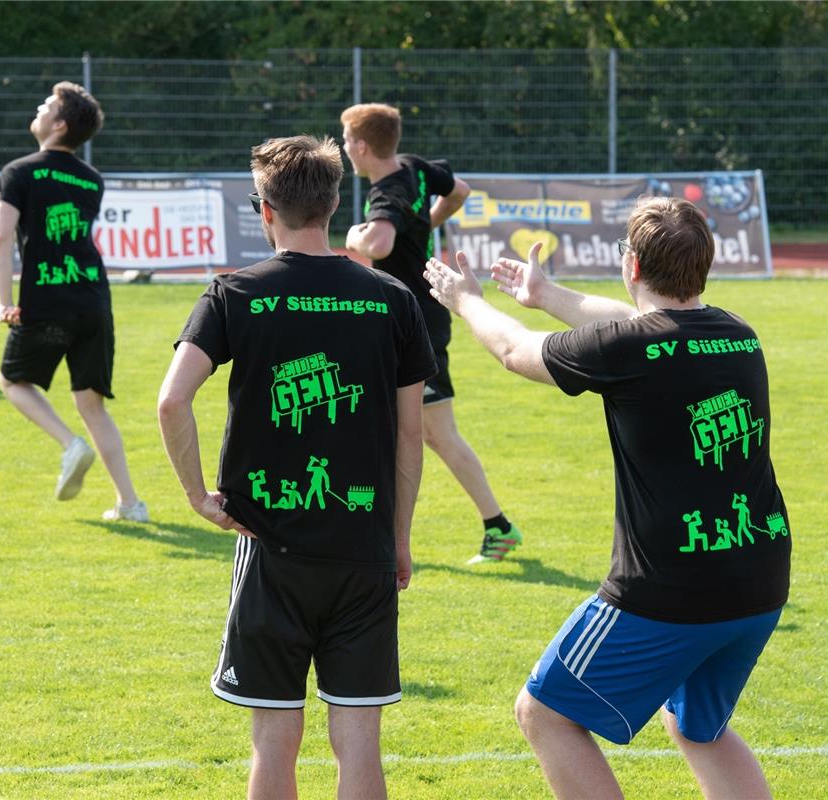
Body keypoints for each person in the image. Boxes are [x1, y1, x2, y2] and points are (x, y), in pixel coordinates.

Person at [423, 197, 791, 800]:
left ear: (634, 266)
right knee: (698, 727)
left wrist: (466, 301)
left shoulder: (631, 349)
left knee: (544, 713)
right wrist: (546, 296)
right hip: (759, 576)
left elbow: (517, 351)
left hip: (670, 589)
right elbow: (639, 323)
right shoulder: (737, 336)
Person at [157, 135, 436, 799]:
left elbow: (171, 401)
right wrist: (397, 538)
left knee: (274, 743)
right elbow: (409, 434)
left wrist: (199, 496)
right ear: (335, 204)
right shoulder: (390, 297)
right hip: (361, 546)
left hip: (270, 549)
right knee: (359, 746)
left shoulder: (234, 292)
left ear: (265, 211)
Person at [340, 102, 521, 564]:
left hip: (410, 327)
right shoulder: (416, 169)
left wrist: (351, 238)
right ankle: (494, 527)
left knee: (420, 433)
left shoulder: (386, 192)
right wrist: (426, 226)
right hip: (413, 320)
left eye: (345, 141)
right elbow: (458, 190)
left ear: (362, 146)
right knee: (417, 432)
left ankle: (487, 527)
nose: (344, 149)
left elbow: (378, 242)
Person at [0, 82, 146, 517]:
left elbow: (9, 236)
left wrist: (3, 300)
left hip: (48, 298)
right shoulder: (91, 179)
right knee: (91, 402)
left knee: (12, 380)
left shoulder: (19, 172)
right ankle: (131, 503)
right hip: (94, 299)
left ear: (58, 124)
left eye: (46, 105)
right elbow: (50, 233)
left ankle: (70, 445)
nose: (39, 108)